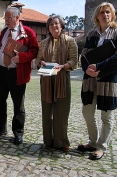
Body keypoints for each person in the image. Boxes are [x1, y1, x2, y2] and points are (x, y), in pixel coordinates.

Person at [78, 2, 117, 160]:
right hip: (90, 79)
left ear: (112, 15)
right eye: (102, 12)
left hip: (110, 80)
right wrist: (86, 69)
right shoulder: (91, 34)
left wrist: (99, 67)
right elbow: (84, 55)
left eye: (108, 12)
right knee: (87, 112)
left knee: (107, 116)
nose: (105, 15)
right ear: (97, 15)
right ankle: (92, 141)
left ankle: (102, 146)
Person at [0, 7, 39, 144]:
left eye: (8, 18)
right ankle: (0, 128)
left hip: (17, 73)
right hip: (1, 72)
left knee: (18, 105)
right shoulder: (3, 33)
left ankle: (18, 132)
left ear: (17, 18)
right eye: (5, 18)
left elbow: (35, 51)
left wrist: (22, 57)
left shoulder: (28, 33)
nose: (6, 21)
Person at [35, 15, 78, 151]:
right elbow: (38, 60)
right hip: (46, 79)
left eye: (57, 23)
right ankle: (48, 140)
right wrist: (40, 63)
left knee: (61, 112)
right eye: (51, 24)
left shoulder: (70, 41)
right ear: (48, 27)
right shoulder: (43, 43)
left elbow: (74, 60)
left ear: (62, 25)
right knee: (46, 112)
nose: (54, 26)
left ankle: (61, 141)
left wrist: (63, 66)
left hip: (62, 79)